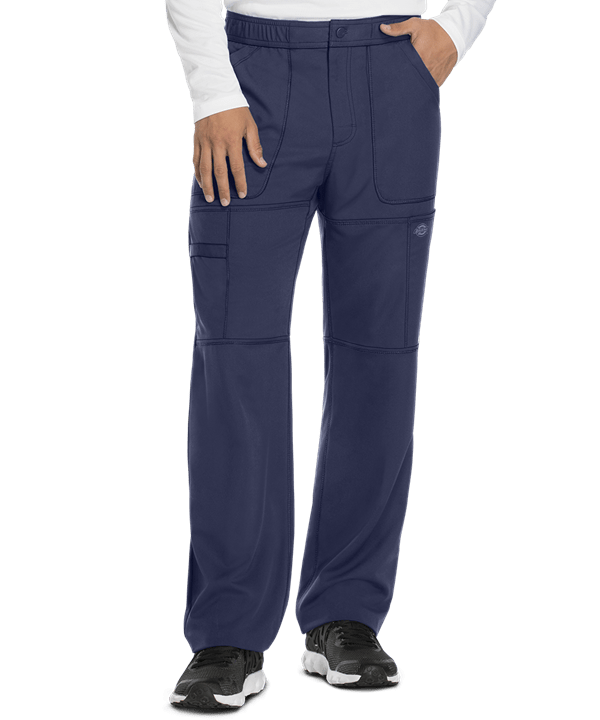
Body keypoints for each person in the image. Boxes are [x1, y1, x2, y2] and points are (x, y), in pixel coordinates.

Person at [165, 0, 496, 709]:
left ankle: (346, 616)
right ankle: (228, 633)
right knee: (235, 356)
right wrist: (213, 90)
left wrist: (460, 25)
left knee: (379, 355)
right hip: (251, 75)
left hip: (391, 72)